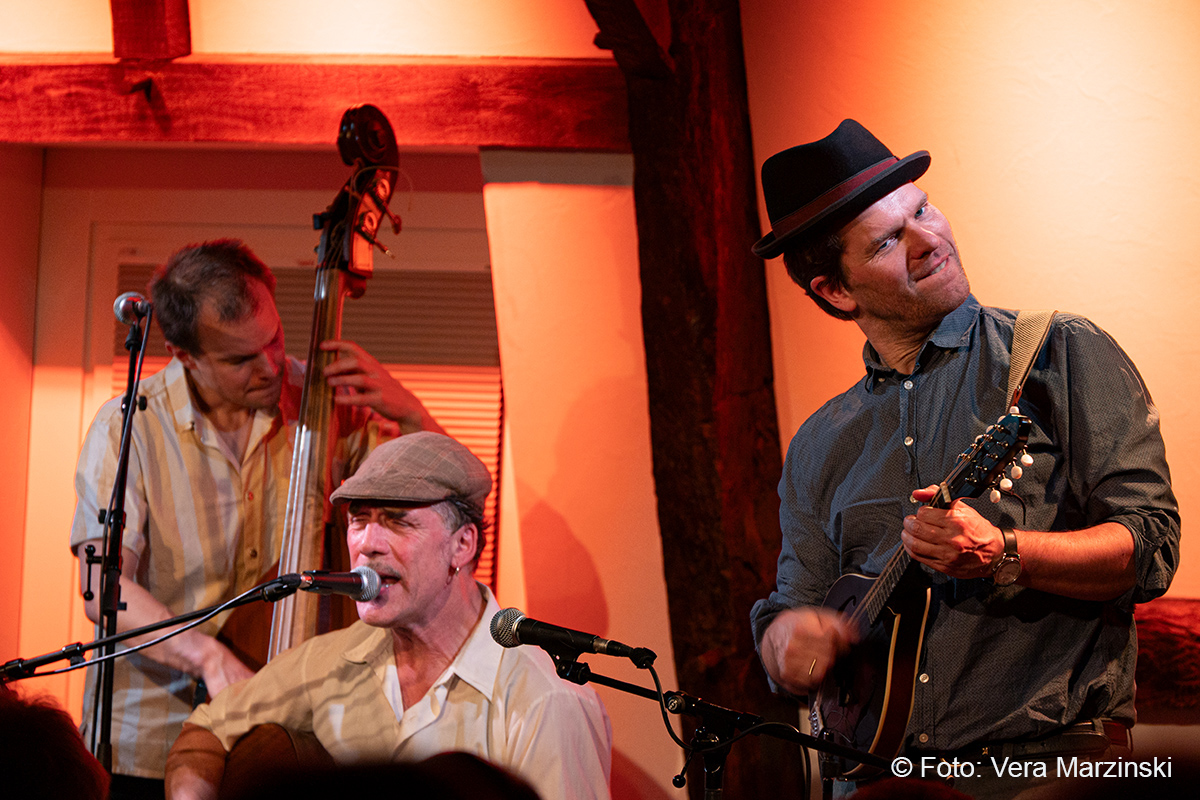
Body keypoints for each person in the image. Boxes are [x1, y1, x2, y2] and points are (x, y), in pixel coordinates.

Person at [749, 120, 1179, 797]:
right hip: (880, 784)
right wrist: (785, 643)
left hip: (1048, 771)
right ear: (836, 291)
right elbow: (793, 609)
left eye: (922, 210)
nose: (928, 240)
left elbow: (1150, 547)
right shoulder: (819, 443)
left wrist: (1005, 552)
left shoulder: (1056, 354)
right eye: (888, 241)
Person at [69, 239, 443, 798]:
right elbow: (103, 587)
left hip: (283, 742)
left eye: (274, 339)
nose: (270, 366)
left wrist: (412, 413)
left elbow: (442, 513)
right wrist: (207, 657)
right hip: (150, 738)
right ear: (184, 355)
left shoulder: (326, 404)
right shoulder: (129, 426)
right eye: (240, 359)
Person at [163, 431, 613, 800]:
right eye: (359, 520)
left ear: (462, 545)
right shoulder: (328, 661)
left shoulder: (545, 698)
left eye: (398, 521)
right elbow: (205, 731)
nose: (366, 544)